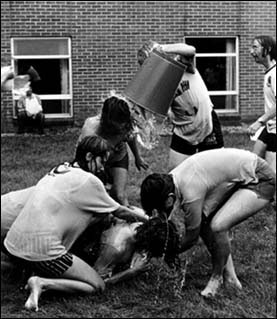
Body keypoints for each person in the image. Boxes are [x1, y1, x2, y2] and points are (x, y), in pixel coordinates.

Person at [2, 135, 148, 312]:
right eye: (102, 161)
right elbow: (119, 211)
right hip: (42, 250)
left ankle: (30, 271)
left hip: (12, 244)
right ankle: (42, 283)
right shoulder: (89, 181)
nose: (103, 167)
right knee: (97, 285)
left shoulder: (60, 168)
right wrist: (148, 220)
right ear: (89, 157)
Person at [132, 148, 276, 297]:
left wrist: (162, 252)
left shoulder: (189, 189)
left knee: (218, 226)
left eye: (159, 210)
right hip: (241, 176)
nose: (162, 216)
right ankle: (231, 279)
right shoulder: (172, 179)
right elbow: (198, 226)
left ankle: (217, 278)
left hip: (260, 179)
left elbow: (192, 237)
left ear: (169, 200)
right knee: (206, 223)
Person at [137, 40, 224, 170]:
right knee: (175, 173)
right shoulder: (157, 85)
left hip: (207, 123)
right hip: (184, 129)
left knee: (217, 170)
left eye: (148, 64)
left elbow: (191, 50)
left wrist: (162, 48)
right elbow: (161, 110)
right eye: (144, 67)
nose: (148, 70)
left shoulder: (181, 65)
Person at [78, 94, 148, 206]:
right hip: (96, 157)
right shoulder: (91, 129)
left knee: (120, 195)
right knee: (97, 193)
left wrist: (137, 157)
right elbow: (84, 158)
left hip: (118, 154)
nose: (122, 129)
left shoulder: (126, 123)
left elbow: (130, 137)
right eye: (118, 127)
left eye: (123, 126)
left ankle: (130, 221)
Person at [248, 35, 276, 174]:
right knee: (253, 163)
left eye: (255, 47)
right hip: (270, 127)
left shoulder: (275, 73)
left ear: (268, 49)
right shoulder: (269, 72)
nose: (251, 51)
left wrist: (259, 121)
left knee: (272, 176)